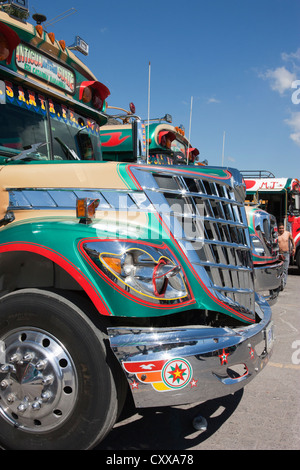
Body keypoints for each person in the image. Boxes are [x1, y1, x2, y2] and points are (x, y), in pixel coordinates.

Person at [278, 222, 295, 289]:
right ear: (278, 229)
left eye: (282, 228)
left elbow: (292, 240)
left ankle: (283, 284)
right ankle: (279, 283)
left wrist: (294, 248)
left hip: (286, 253)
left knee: (285, 269)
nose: (281, 230)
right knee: (279, 269)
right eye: (280, 228)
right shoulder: (276, 235)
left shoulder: (287, 233)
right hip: (279, 253)